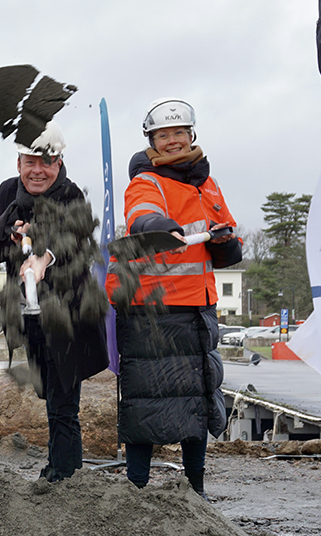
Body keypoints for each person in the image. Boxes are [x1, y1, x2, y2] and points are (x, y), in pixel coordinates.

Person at [105, 98, 241, 497]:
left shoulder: (208, 184)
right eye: (163, 135)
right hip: (152, 310)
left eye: (179, 133)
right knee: (146, 401)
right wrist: (158, 224)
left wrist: (226, 241)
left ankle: (195, 489)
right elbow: (142, 215)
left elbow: (225, 234)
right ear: (152, 141)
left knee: (199, 400)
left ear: (191, 135)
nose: (173, 141)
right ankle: (137, 487)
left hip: (198, 307)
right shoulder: (146, 182)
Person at [0, 121, 109, 482]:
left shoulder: (70, 195)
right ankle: (56, 466)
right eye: (30, 162)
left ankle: (65, 477)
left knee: (63, 402)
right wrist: (11, 226)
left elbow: (74, 245)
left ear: (59, 162)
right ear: (18, 163)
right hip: (30, 315)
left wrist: (43, 256)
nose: (38, 170)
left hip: (69, 313)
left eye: (46, 162)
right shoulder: (8, 191)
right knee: (48, 394)